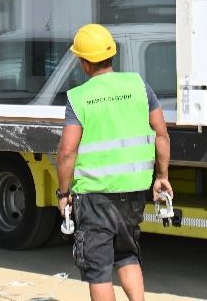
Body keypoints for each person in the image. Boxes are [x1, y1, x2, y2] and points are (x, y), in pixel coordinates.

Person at [55, 24, 171, 301]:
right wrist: (162, 176)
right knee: (127, 253)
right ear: (111, 55)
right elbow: (161, 134)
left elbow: (67, 152)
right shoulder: (138, 85)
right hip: (133, 192)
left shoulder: (79, 97)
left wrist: (63, 192)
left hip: (94, 196)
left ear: (83, 62)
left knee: (98, 268)